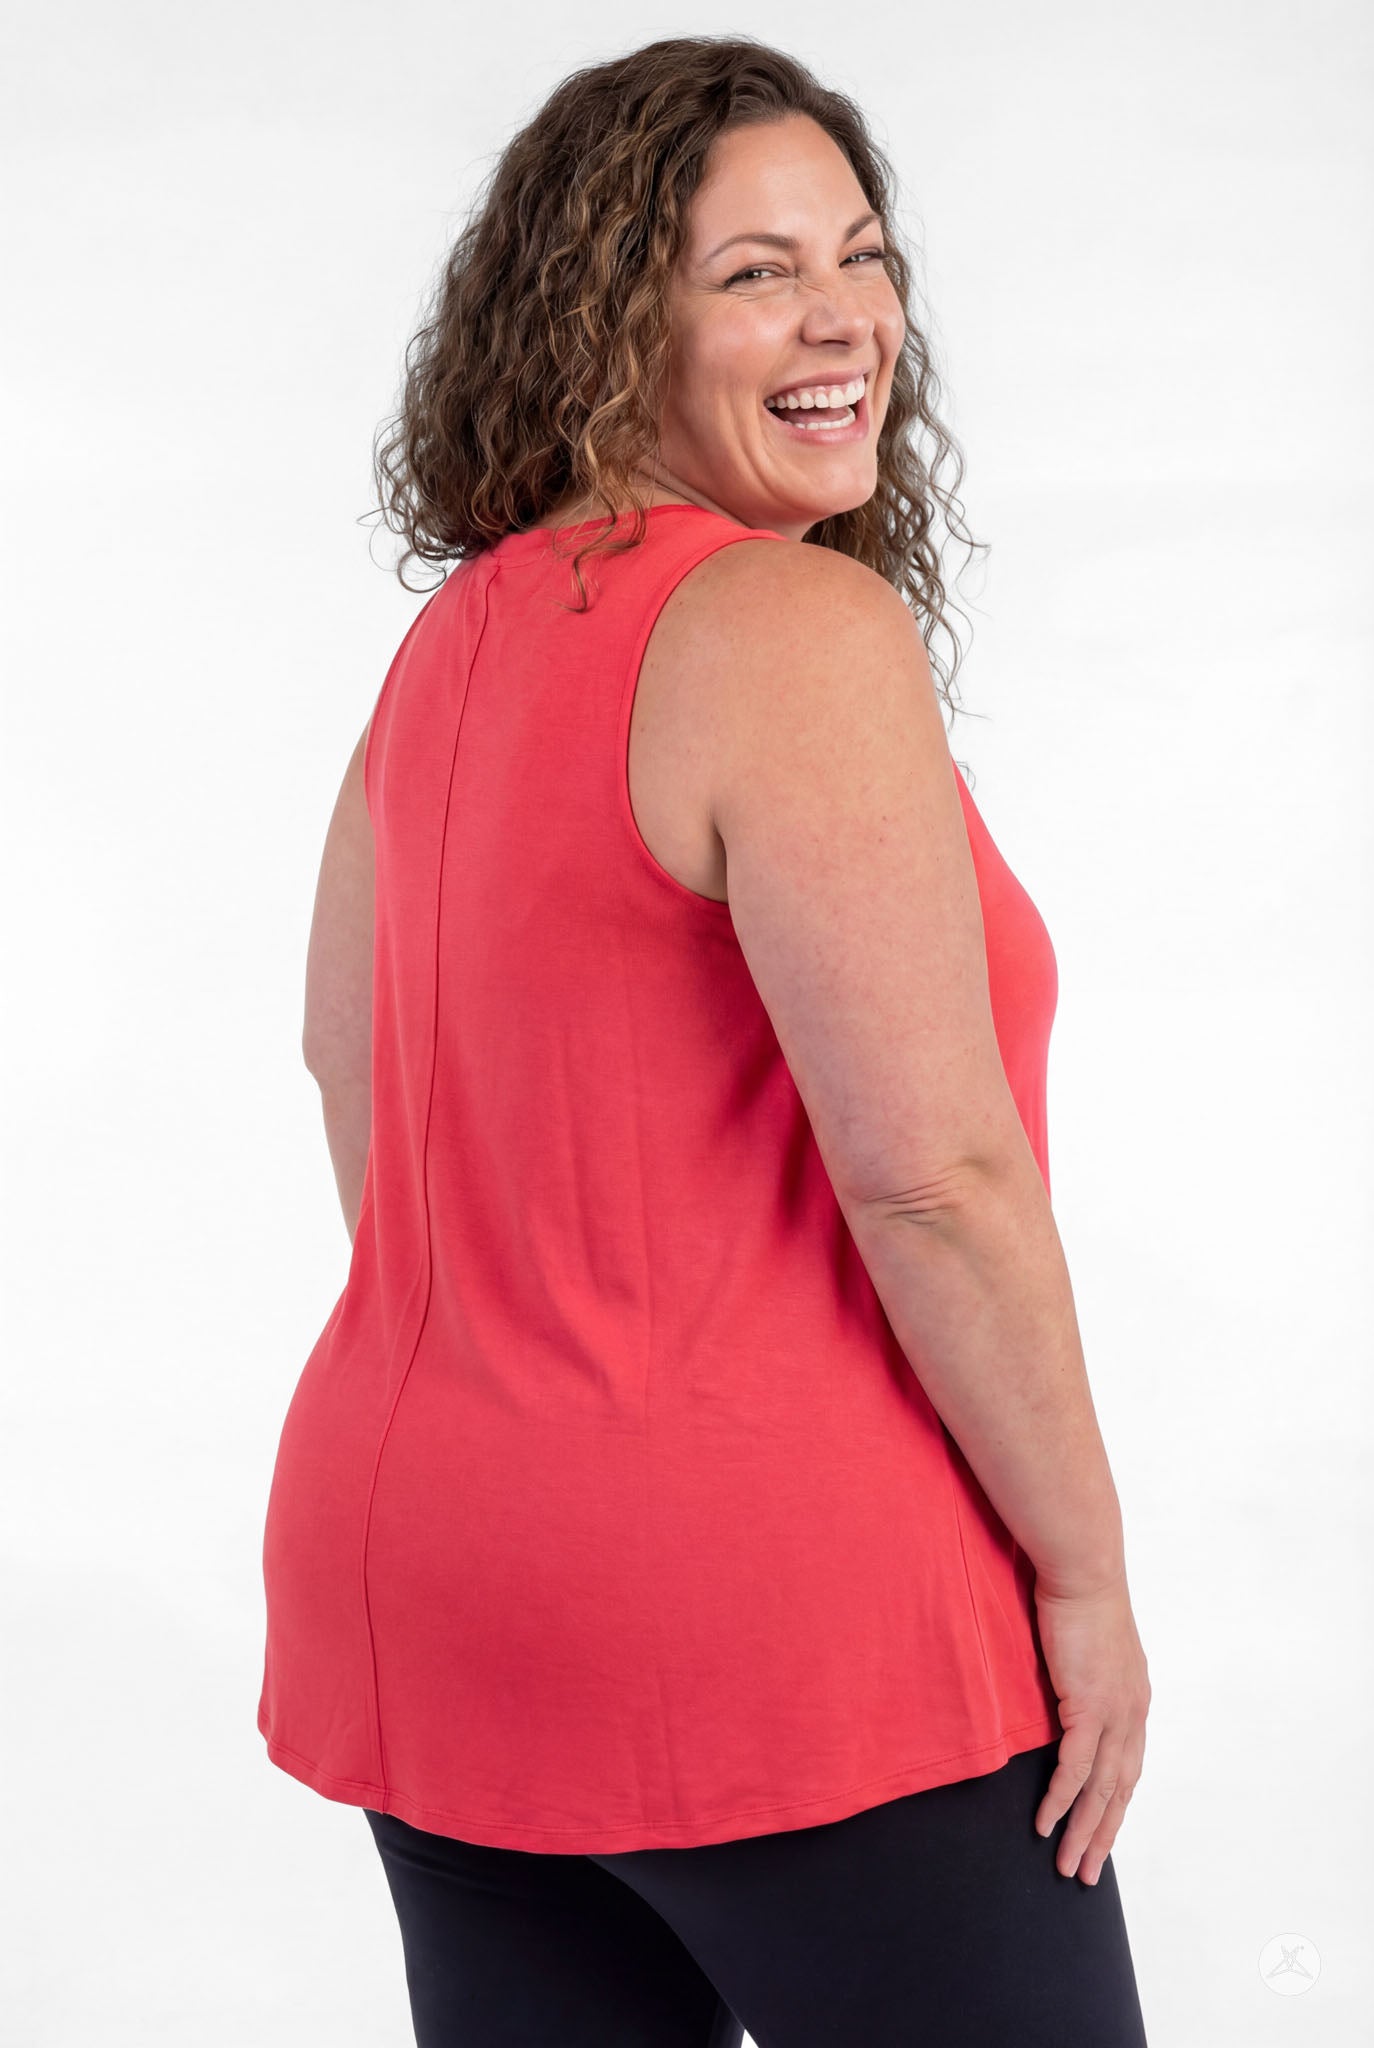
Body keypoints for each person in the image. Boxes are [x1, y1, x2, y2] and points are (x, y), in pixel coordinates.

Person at [257, 32, 1153, 2046]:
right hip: (772, 1617)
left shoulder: (459, 634)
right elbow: (934, 1175)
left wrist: (525, 1365)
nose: (845, 316)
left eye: (861, 253)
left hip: (431, 1584)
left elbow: (350, 1070)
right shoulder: (787, 629)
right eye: (756, 272)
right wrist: (1085, 1581)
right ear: (606, 320)